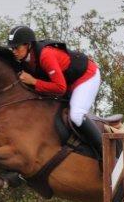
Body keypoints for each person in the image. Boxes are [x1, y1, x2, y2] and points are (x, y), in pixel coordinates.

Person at [6, 25, 104, 158]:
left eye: (16, 47)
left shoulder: (45, 55)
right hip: (68, 81)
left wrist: (34, 82)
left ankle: (105, 152)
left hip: (86, 76)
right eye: (11, 48)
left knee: (76, 115)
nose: (14, 51)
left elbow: (60, 88)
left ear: (28, 45)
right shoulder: (23, 60)